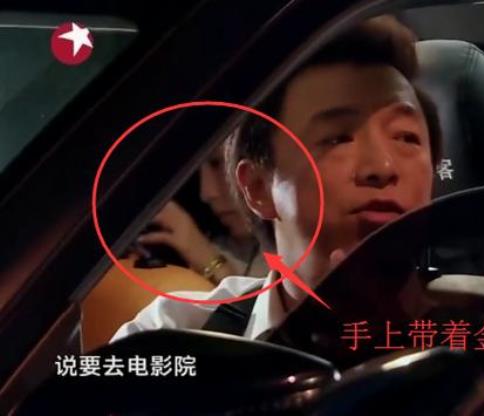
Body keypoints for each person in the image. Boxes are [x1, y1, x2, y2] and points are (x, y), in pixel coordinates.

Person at [111, 16, 442, 341]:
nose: (382, 166)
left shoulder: (471, 327)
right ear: (258, 187)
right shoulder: (175, 334)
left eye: (406, 137)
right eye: (338, 138)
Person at [138, 139, 268, 284]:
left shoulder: (285, 252)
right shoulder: (219, 245)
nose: (206, 193)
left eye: (217, 164)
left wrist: (211, 262)